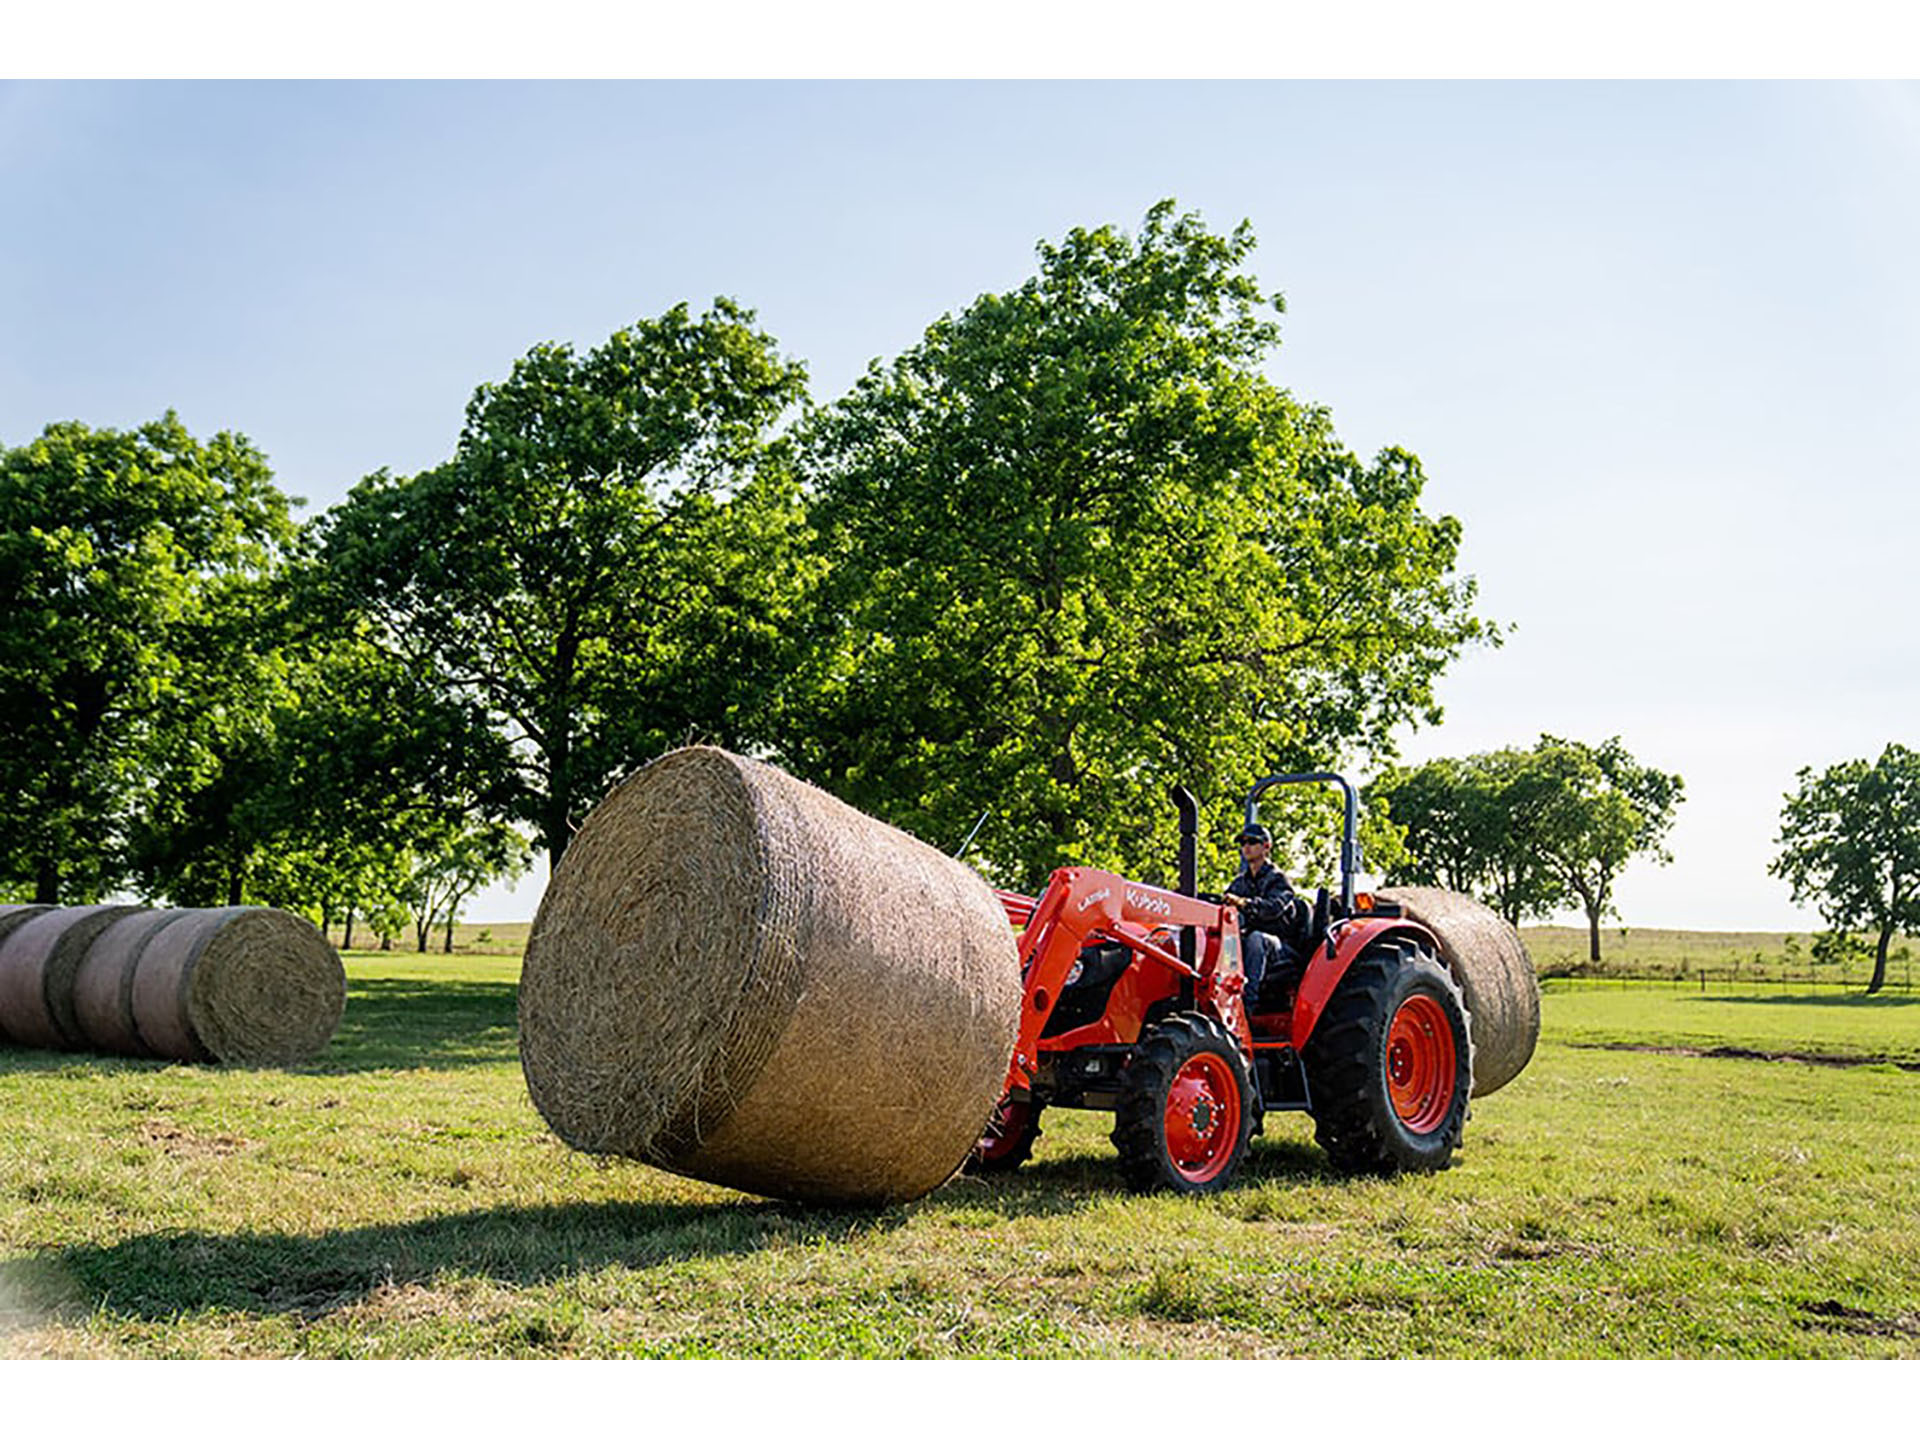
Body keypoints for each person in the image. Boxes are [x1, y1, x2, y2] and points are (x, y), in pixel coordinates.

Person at [1222, 822, 1311, 1002]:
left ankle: (1246, 1003)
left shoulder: (1278, 880)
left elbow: (1273, 909)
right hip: (1250, 940)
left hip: (1279, 946)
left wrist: (1243, 903)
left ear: (1266, 847)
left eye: (1252, 842)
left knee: (1256, 939)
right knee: (1225, 937)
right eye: (1243, 843)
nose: (1246, 847)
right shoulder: (1240, 882)